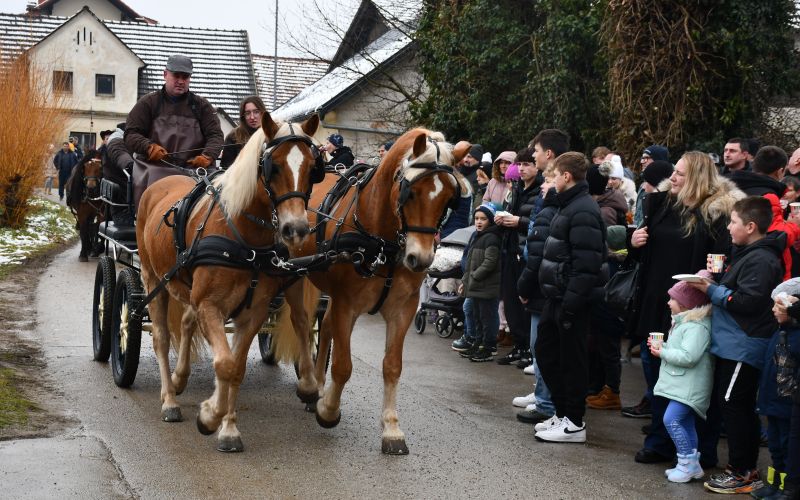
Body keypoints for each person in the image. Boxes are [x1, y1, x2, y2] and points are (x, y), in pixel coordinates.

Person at [627, 151, 742, 466]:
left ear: (697, 178)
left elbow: (722, 261)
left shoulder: (717, 212)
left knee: (695, 381)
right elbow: (645, 251)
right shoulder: (662, 204)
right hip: (656, 303)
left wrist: (710, 277)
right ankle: (660, 442)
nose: (672, 177)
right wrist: (634, 242)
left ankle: (699, 450)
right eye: (674, 172)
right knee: (656, 371)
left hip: (694, 310)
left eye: (679, 173)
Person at [689, 196, 785, 494]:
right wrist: (718, 278)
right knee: (734, 405)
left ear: (751, 226)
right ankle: (743, 469)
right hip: (734, 343)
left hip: (745, 343)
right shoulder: (749, 253)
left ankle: (743, 471)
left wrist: (712, 289)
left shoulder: (762, 259)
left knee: (735, 406)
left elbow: (747, 302)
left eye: (733, 222)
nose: (729, 227)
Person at [533, 151, 605, 444]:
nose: (550, 181)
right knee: (547, 353)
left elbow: (587, 264)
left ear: (566, 176)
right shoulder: (568, 205)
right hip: (557, 297)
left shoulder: (583, 209)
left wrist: (571, 304)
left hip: (571, 300)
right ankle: (562, 412)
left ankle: (574, 422)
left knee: (571, 361)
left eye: (554, 175)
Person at [124, 54, 224, 208]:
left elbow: (215, 135)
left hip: (194, 170)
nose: (181, 81)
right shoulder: (148, 103)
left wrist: (207, 156)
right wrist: (148, 147)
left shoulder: (202, 106)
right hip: (156, 168)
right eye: (176, 76)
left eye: (185, 77)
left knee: (217, 199)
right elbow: (130, 133)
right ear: (165, 74)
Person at [649, 273, 714, 483]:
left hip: (690, 386)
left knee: (671, 419)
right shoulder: (684, 323)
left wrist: (663, 352)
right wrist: (664, 347)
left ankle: (686, 463)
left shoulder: (697, 327)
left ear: (686, 304)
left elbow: (689, 356)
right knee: (685, 423)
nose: (669, 302)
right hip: (684, 384)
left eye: (673, 299)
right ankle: (691, 464)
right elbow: (681, 349)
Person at [493, 144, 547, 367]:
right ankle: (519, 346)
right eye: (520, 164)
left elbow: (540, 222)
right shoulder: (515, 188)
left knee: (525, 303)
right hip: (510, 249)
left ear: (537, 166)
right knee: (511, 301)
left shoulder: (542, 190)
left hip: (526, 252)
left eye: (527, 164)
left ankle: (528, 351)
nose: (522, 168)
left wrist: (518, 222)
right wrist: (501, 218)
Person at [515, 163, 559, 425]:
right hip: (544, 287)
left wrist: (524, 286)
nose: (543, 185)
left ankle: (545, 402)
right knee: (539, 347)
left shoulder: (549, 212)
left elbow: (536, 255)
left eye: (549, 180)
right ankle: (542, 395)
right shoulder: (550, 209)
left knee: (541, 346)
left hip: (543, 289)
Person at [750, 278, 800, 499]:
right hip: (771, 400)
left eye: (778, 305)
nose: (773, 310)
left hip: (787, 402)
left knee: (788, 446)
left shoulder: (796, 336)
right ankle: (774, 483)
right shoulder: (778, 332)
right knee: (775, 446)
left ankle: (787, 486)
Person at [584, 161, 627, 410]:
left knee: (606, 339)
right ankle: (597, 385)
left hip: (608, 278)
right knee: (598, 338)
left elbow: (607, 246)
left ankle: (611, 390)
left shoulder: (604, 211)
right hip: (605, 277)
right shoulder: (602, 205)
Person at [728, 145, 800, 280]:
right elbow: (775, 239)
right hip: (760, 268)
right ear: (780, 171)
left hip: (737, 261)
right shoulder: (769, 196)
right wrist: (794, 225)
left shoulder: (737, 187)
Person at [456, 203, 503, 362]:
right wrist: (465, 281)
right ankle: (478, 343)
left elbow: (490, 262)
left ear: (490, 220)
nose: (479, 222)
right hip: (476, 286)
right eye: (476, 218)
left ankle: (488, 347)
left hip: (486, 287)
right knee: (477, 317)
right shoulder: (477, 236)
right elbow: (470, 263)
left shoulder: (492, 238)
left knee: (487, 317)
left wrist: (474, 276)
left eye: (483, 219)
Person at [219, 95, 266, 169]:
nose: (252, 117)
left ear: (262, 113)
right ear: (243, 116)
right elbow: (226, 169)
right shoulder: (233, 136)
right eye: (248, 113)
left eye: (256, 112)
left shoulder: (272, 133)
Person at [633, 144, 670, 226]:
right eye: (642, 158)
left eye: (646, 158)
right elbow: (638, 217)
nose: (642, 162)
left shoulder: (669, 189)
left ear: (658, 160)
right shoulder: (642, 185)